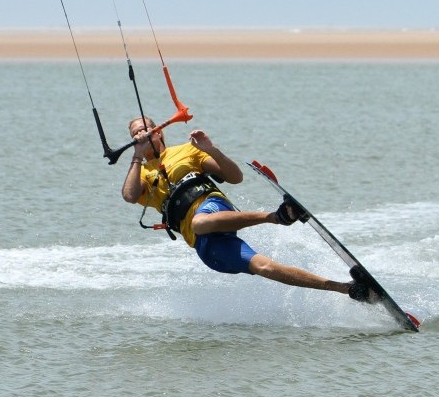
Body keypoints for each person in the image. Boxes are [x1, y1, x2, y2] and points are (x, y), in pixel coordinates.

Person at [122, 116, 368, 301]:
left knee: (199, 221)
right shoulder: (141, 172)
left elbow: (235, 177)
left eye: (145, 128)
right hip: (204, 244)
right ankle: (348, 289)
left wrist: (211, 149)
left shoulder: (186, 151)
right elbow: (130, 196)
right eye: (136, 132)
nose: (141, 133)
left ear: (159, 132)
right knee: (264, 267)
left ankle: (277, 217)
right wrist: (137, 155)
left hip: (213, 206)